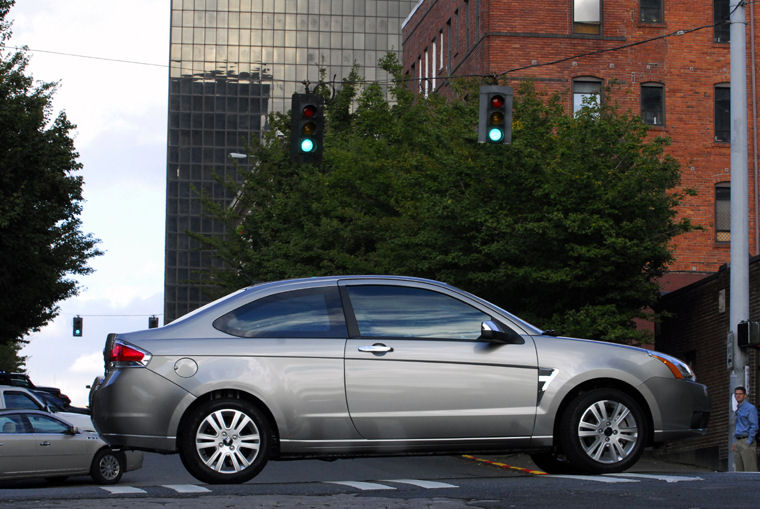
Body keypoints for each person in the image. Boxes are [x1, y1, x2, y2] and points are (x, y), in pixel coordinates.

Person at [732, 386, 758, 471]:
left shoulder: (750, 408)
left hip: (746, 441)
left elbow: (754, 426)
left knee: (750, 471)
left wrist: (749, 441)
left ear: (745, 396)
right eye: (736, 394)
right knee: (739, 472)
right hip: (738, 441)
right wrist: (734, 442)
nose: (738, 396)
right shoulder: (737, 409)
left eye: (740, 394)